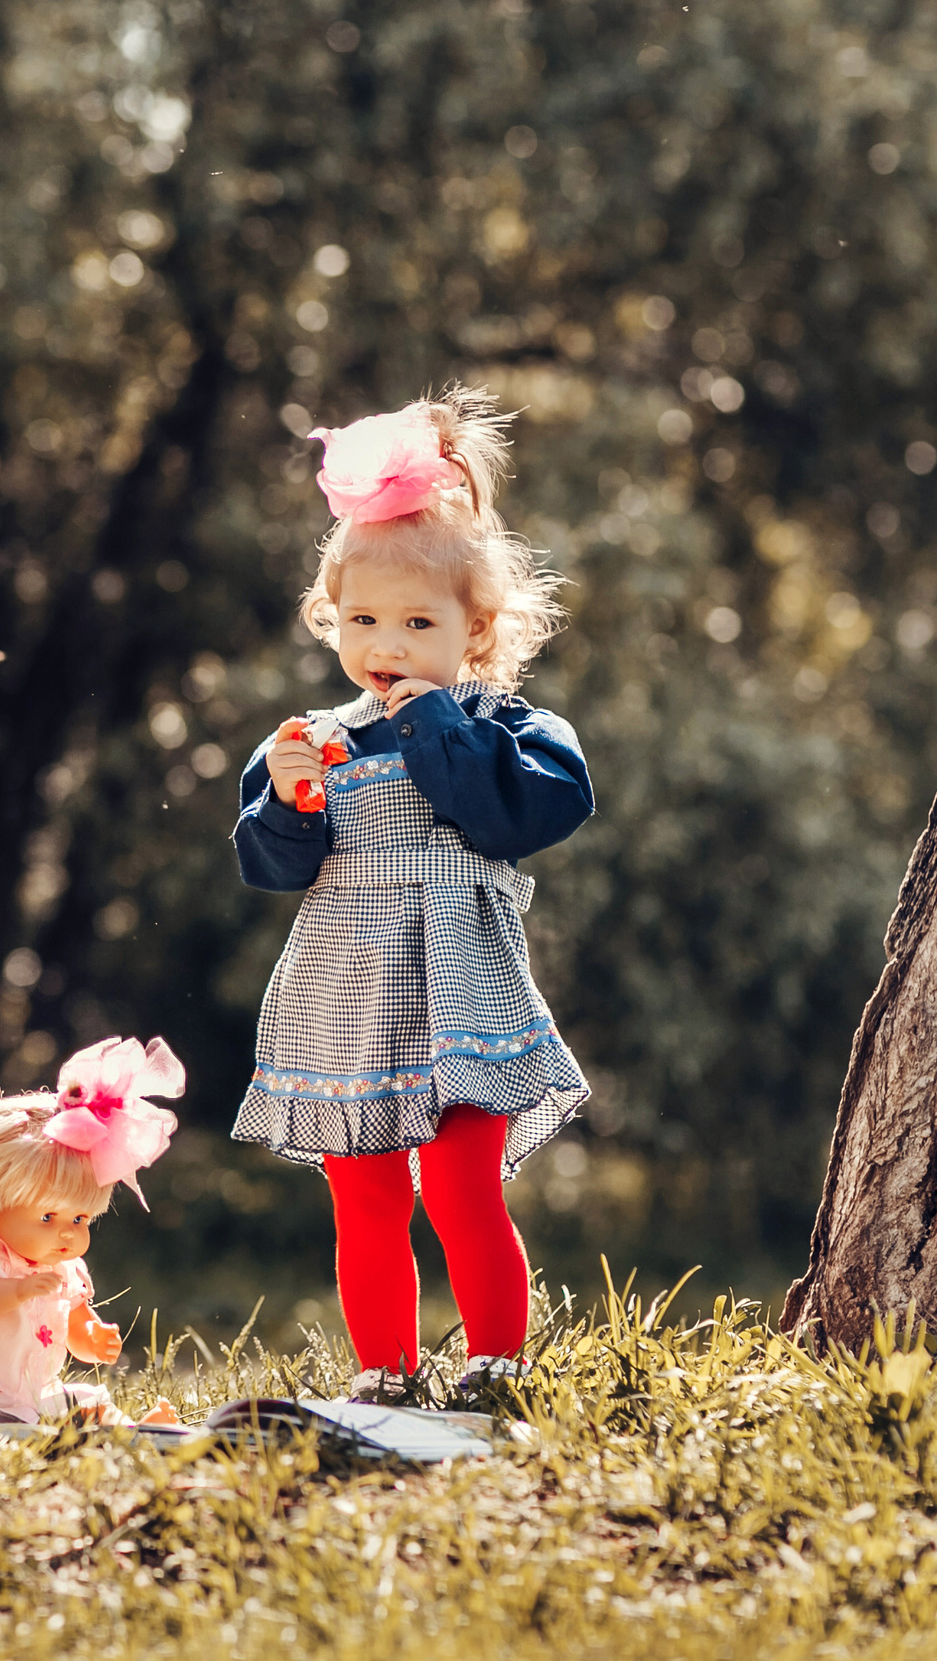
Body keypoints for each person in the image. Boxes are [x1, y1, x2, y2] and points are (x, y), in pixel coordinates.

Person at [230, 386, 593, 1401]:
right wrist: (287, 803)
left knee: (463, 1185)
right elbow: (271, 866)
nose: (385, 645)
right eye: (363, 620)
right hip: (350, 997)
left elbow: (523, 814)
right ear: (330, 617)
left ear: (476, 628)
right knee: (366, 1197)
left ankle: (495, 1364)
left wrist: (432, 723)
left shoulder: (507, 728)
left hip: (462, 987)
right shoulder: (314, 741)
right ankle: (383, 1375)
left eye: (416, 621)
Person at [0, 1037, 186, 1443]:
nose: (68, 1232)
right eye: (48, 1217)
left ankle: (133, 1430)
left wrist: (94, 1339)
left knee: (86, 1403)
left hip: (33, 1396)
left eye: (80, 1218)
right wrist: (18, 1290)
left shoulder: (66, 1270)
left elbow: (76, 1326)